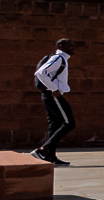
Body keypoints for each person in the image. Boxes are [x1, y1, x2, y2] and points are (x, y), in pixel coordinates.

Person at [30, 38, 78, 166]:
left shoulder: (62, 59)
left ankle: (49, 156)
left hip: (50, 95)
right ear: (61, 46)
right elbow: (40, 73)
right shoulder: (58, 58)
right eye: (70, 45)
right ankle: (43, 150)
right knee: (69, 123)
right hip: (53, 95)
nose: (73, 47)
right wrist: (54, 89)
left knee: (55, 124)